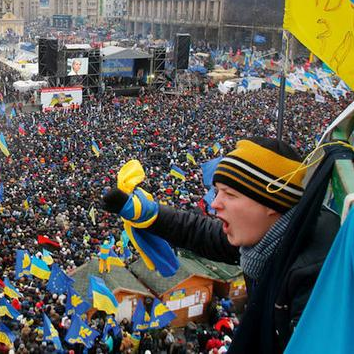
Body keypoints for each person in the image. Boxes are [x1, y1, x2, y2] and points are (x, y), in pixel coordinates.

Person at [102, 137, 340, 353]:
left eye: (229, 194)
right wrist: (150, 215)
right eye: (217, 192)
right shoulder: (268, 238)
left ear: (270, 203)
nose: (215, 203)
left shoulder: (316, 281)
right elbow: (200, 232)